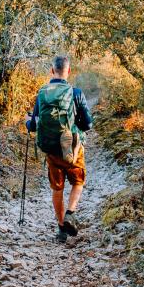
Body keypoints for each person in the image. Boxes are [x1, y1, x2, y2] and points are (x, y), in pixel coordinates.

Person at [26, 55, 93, 243]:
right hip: (73, 149)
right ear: (68, 71)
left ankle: (62, 228)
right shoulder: (76, 93)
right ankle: (71, 212)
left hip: (52, 151)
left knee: (57, 188)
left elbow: (33, 125)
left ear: (51, 70)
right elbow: (88, 124)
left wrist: (26, 122)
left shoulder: (42, 93)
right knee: (78, 182)